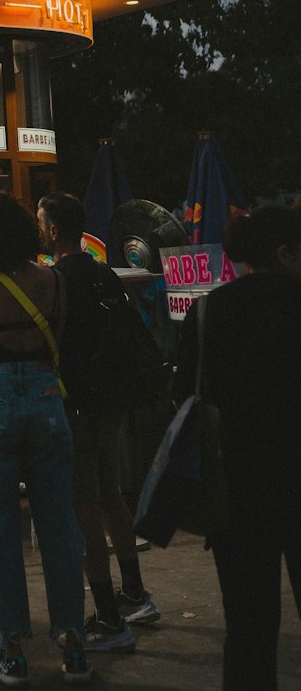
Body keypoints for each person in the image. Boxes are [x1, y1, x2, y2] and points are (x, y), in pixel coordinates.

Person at [0, 192, 89, 686]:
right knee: (59, 527)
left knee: (1, 530)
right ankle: (74, 646)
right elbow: (60, 335)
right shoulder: (53, 281)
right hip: (46, 399)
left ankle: (13, 652)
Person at [175, 203, 301, 691]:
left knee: (249, 629)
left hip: (237, 490)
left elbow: (186, 394)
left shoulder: (209, 309)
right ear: (285, 253)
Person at [37, 193, 154, 648]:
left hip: (77, 405)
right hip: (110, 403)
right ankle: (135, 593)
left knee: (84, 509)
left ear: (51, 231)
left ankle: (107, 616)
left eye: (40, 222)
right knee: (111, 497)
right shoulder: (103, 273)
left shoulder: (56, 279)